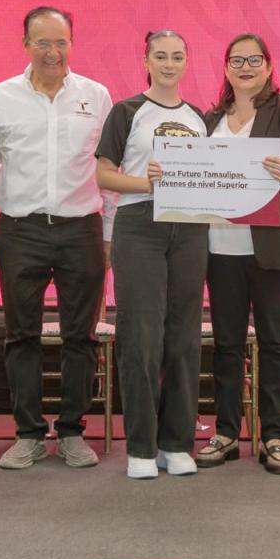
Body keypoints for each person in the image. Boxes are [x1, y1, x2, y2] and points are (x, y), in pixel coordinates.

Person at [0, 7, 113, 470]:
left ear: (72, 43)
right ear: (25, 45)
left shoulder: (96, 95)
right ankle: (28, 433)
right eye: (42, 43)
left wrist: (109, 232)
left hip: (81, 229)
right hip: (21, 230)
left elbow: (109, 169)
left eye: (61, 42)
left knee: (81, 337)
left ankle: (72, 431)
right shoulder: (1, 96)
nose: (52, 52)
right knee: (21, 337)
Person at [197, 33, 280, 475]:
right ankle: (227, 433)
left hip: (271, 247)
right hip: (219, 247)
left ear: (268, 66)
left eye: (254, 60)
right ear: (226, 67)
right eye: (237, 60)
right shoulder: (210, 119)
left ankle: (272, 436)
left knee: (275, 342)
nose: (245, 68)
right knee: (227, 345)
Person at [95, 30, 208, 479]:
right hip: (140, 223)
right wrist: (147, 182)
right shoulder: (127, 112)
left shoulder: (199, 118)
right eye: (160, 56)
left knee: (184, 336)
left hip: (191, 227)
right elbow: (104, 174)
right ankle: (141, 447)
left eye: (177, 57)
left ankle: (176, 443)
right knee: (141, 337)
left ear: (186, 62)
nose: (169, 64)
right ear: (145, 61)